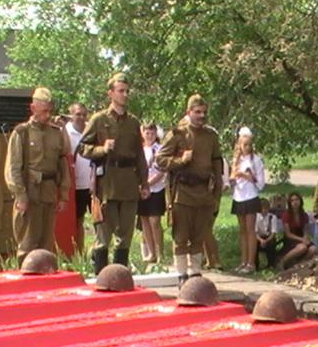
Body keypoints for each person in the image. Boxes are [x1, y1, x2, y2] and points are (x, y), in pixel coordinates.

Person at [78, 73, 149, 273]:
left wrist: (144, 182)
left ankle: (119, 275)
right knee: (103, 234)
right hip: (107, 183)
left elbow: (140, 155)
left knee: (125, 234)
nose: (125, 95)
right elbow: (82, 148)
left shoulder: (133, 122)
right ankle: (100, 275)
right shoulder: (99, 119)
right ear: (110, 93)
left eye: (127, 91)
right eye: (120, 91)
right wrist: (101, 149)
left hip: (128, 181)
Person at [156, 94, 223, 284]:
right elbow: (160, 160)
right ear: (189, 112)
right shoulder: (178, 134)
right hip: (182, 193)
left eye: (204, 112)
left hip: (204, 193)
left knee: (198, 236)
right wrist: (180, 160)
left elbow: (217, 165)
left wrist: (216, 194)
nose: (202, 116)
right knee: (181, 237)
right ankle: (182, 275)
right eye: (197, 112)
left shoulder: (210, 136)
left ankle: (195, 274)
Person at [4, 87, 70, 265]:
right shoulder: (22, 133)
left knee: (46, 246)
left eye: (49, 111)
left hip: (49, 193)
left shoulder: (55, 133)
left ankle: (44, 278)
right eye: (43, 111)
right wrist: (20, 195)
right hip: (30, 193)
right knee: (27, 244)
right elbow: (13, 167)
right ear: (33, 108)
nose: (47, 115)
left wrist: (63, 195)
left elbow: (62, 164)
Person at [229, 127, 265, 274]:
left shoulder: (255, 160)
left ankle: (251, 263)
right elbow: (232, 180)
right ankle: (243, 261)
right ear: (239, 145)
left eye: (250, 145)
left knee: (250, 230)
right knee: (242, 231)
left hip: (251, 197)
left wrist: (246, 176)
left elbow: (261, 184)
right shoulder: (236, 160)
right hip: (238, 197)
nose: (247, 147)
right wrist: (232, 180)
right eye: (245, 145)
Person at [137, 122, 166, 263]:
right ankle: (151, 253)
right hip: (141, 190)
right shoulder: (139, 150)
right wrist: (141, 185)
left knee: (155, 221)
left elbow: (162, 171)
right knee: (144, 220)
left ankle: (160, 253)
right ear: (142, 133)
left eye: (152, 133)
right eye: (147, 133)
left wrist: (148, 183)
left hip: (156, 188)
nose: (149, 136)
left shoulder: (160, 150)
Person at [65, 103, 90, 253]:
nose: (81, 117)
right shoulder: (66, 132)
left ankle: (97, 255)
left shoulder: (91, 130)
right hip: (76, 185)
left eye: (84, 114)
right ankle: (79, 253)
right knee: (77, 221)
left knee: (100, 221)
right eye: (78, 114)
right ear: (71, 115)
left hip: (93, 184)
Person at [279, 192, 318, 269]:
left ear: (300, 201)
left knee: (313, 249)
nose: (295, 202)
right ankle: (282, 261)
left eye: (297, 199)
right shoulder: (286, 215)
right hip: (291, 239)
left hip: (301, 237)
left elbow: (305, 230)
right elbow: (288, 234)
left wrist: (305, 238)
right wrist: (301, 239)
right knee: (302, 248)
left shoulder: (304, 215)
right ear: (289, 203)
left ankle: (299, 264)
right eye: (292, 200)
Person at [255, 198, 278, 270]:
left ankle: (271, 264)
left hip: (268, 237)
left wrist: (266, 240)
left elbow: (273, 233)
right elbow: (255, 232)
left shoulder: (272, 217)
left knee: (271, 244)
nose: (264, 210)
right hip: (258, 237)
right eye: (263, 208)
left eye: (266, 208)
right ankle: (256, 264)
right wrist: (261, 240)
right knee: (254, 244)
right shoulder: (256, 217)